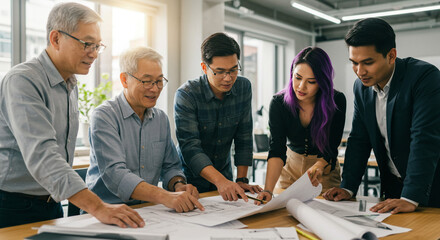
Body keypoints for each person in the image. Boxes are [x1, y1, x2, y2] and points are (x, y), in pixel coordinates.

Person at [0, 2, 144, 228]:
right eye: (87, 44)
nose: (94, 54)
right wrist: (98, 207)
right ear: (56, 38)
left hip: (52, 203)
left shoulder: (70, 83)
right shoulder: (23, 80)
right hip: (12, 206)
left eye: (98, 46)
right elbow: (43, 155)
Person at [323, 18, 440, 213]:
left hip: (430, 188)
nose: (360, 72)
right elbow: (359, 139)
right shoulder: (361, 88)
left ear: (391, 55)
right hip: (393, 190)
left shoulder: (424, 78)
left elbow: (424, 138)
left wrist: (410, 197)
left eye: (368, 62)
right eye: (354, 63)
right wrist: (347, 187)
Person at [86, 46, 204, 213]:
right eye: (147, 81)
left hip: (148, 211)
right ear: (125, 80)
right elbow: (116, 174)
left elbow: (170, 166)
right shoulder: (104, 116)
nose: (155, 89)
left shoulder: (161, 119)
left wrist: (178, 185)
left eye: (159, 81)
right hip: (105, 212)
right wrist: (164, 196)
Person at [174, 32, 261, 202]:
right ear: (204, 67)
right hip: (190, 180)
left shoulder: (243, 87)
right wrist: (220, 181)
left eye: (233, 70)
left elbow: (244, 136)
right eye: (220, 72)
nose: (228, 78)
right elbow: (190, 147)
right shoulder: (187, 94)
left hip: (224, 176)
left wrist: (241, 180)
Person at [256, 47, 346, 203]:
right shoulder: (279, 103)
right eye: (297, 78)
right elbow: (277, 148)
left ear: (322, 82)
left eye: (311, 82)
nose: (301, 87)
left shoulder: (336, 101)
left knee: (324, 218)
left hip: (323, 170)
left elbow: (332, 146)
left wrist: (319, 165)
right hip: (290, 169)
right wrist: (268, 190)